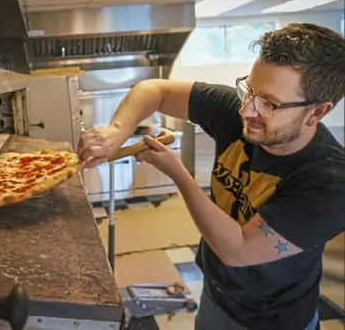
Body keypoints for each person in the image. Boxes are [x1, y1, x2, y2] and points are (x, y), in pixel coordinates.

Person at [77, 23, 345, 330]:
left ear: (317, 113)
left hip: (275, 320)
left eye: (269, 103)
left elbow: (238, 249)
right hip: (218, 295)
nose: (247, 111)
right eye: (249, 89)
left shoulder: (330, 182)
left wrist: (179, 174)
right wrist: (116, 130)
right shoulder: (239, 112)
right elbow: (156, 90)